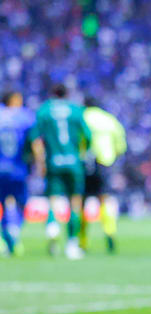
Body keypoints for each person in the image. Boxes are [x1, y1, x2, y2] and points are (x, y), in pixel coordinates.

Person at [32, 84, 92, 259]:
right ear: (67, 94)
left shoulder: (44, 111)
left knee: (52, 199)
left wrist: (40, 162)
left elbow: (35, 139)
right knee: (75, 201)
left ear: (52, 94)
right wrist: (82, 153)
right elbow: (87, 136)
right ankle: (72, 244)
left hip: (53, 162)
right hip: (74, 162)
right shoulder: (76, 110)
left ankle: (52, 226)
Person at [82, 97, 127, 253]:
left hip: (85, 163)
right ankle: (109, 231)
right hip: (105, 162)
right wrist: (113, 155)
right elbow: (121, 144)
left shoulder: (82, 117)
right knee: (104, 199)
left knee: (81, 202)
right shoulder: (109, 119)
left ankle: (83, 241)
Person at [0, 91, 39, 256]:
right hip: (17, 168)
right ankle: (14, 231)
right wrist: (39, 162)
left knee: (2, 202)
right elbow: (35, 141)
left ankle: (6, 235)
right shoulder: (25, 117)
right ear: (15, 100)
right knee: (21, 202)